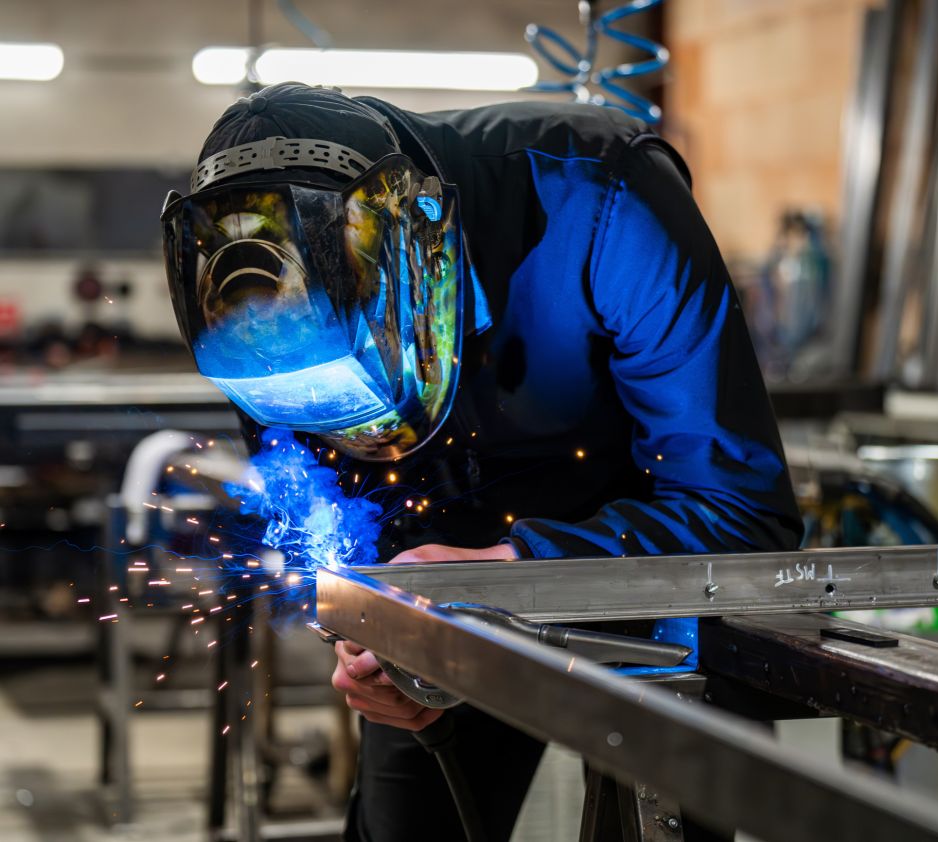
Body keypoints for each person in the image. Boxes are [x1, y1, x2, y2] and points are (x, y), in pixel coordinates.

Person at [163, 82, 802, 842]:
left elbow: (743, 516)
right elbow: (330, 520)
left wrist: (515, 572)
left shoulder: (605, 195)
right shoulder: (254, 323)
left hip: (647, 568)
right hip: (440, 589)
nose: (353, 431)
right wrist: (370, 638)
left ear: (416, 250)